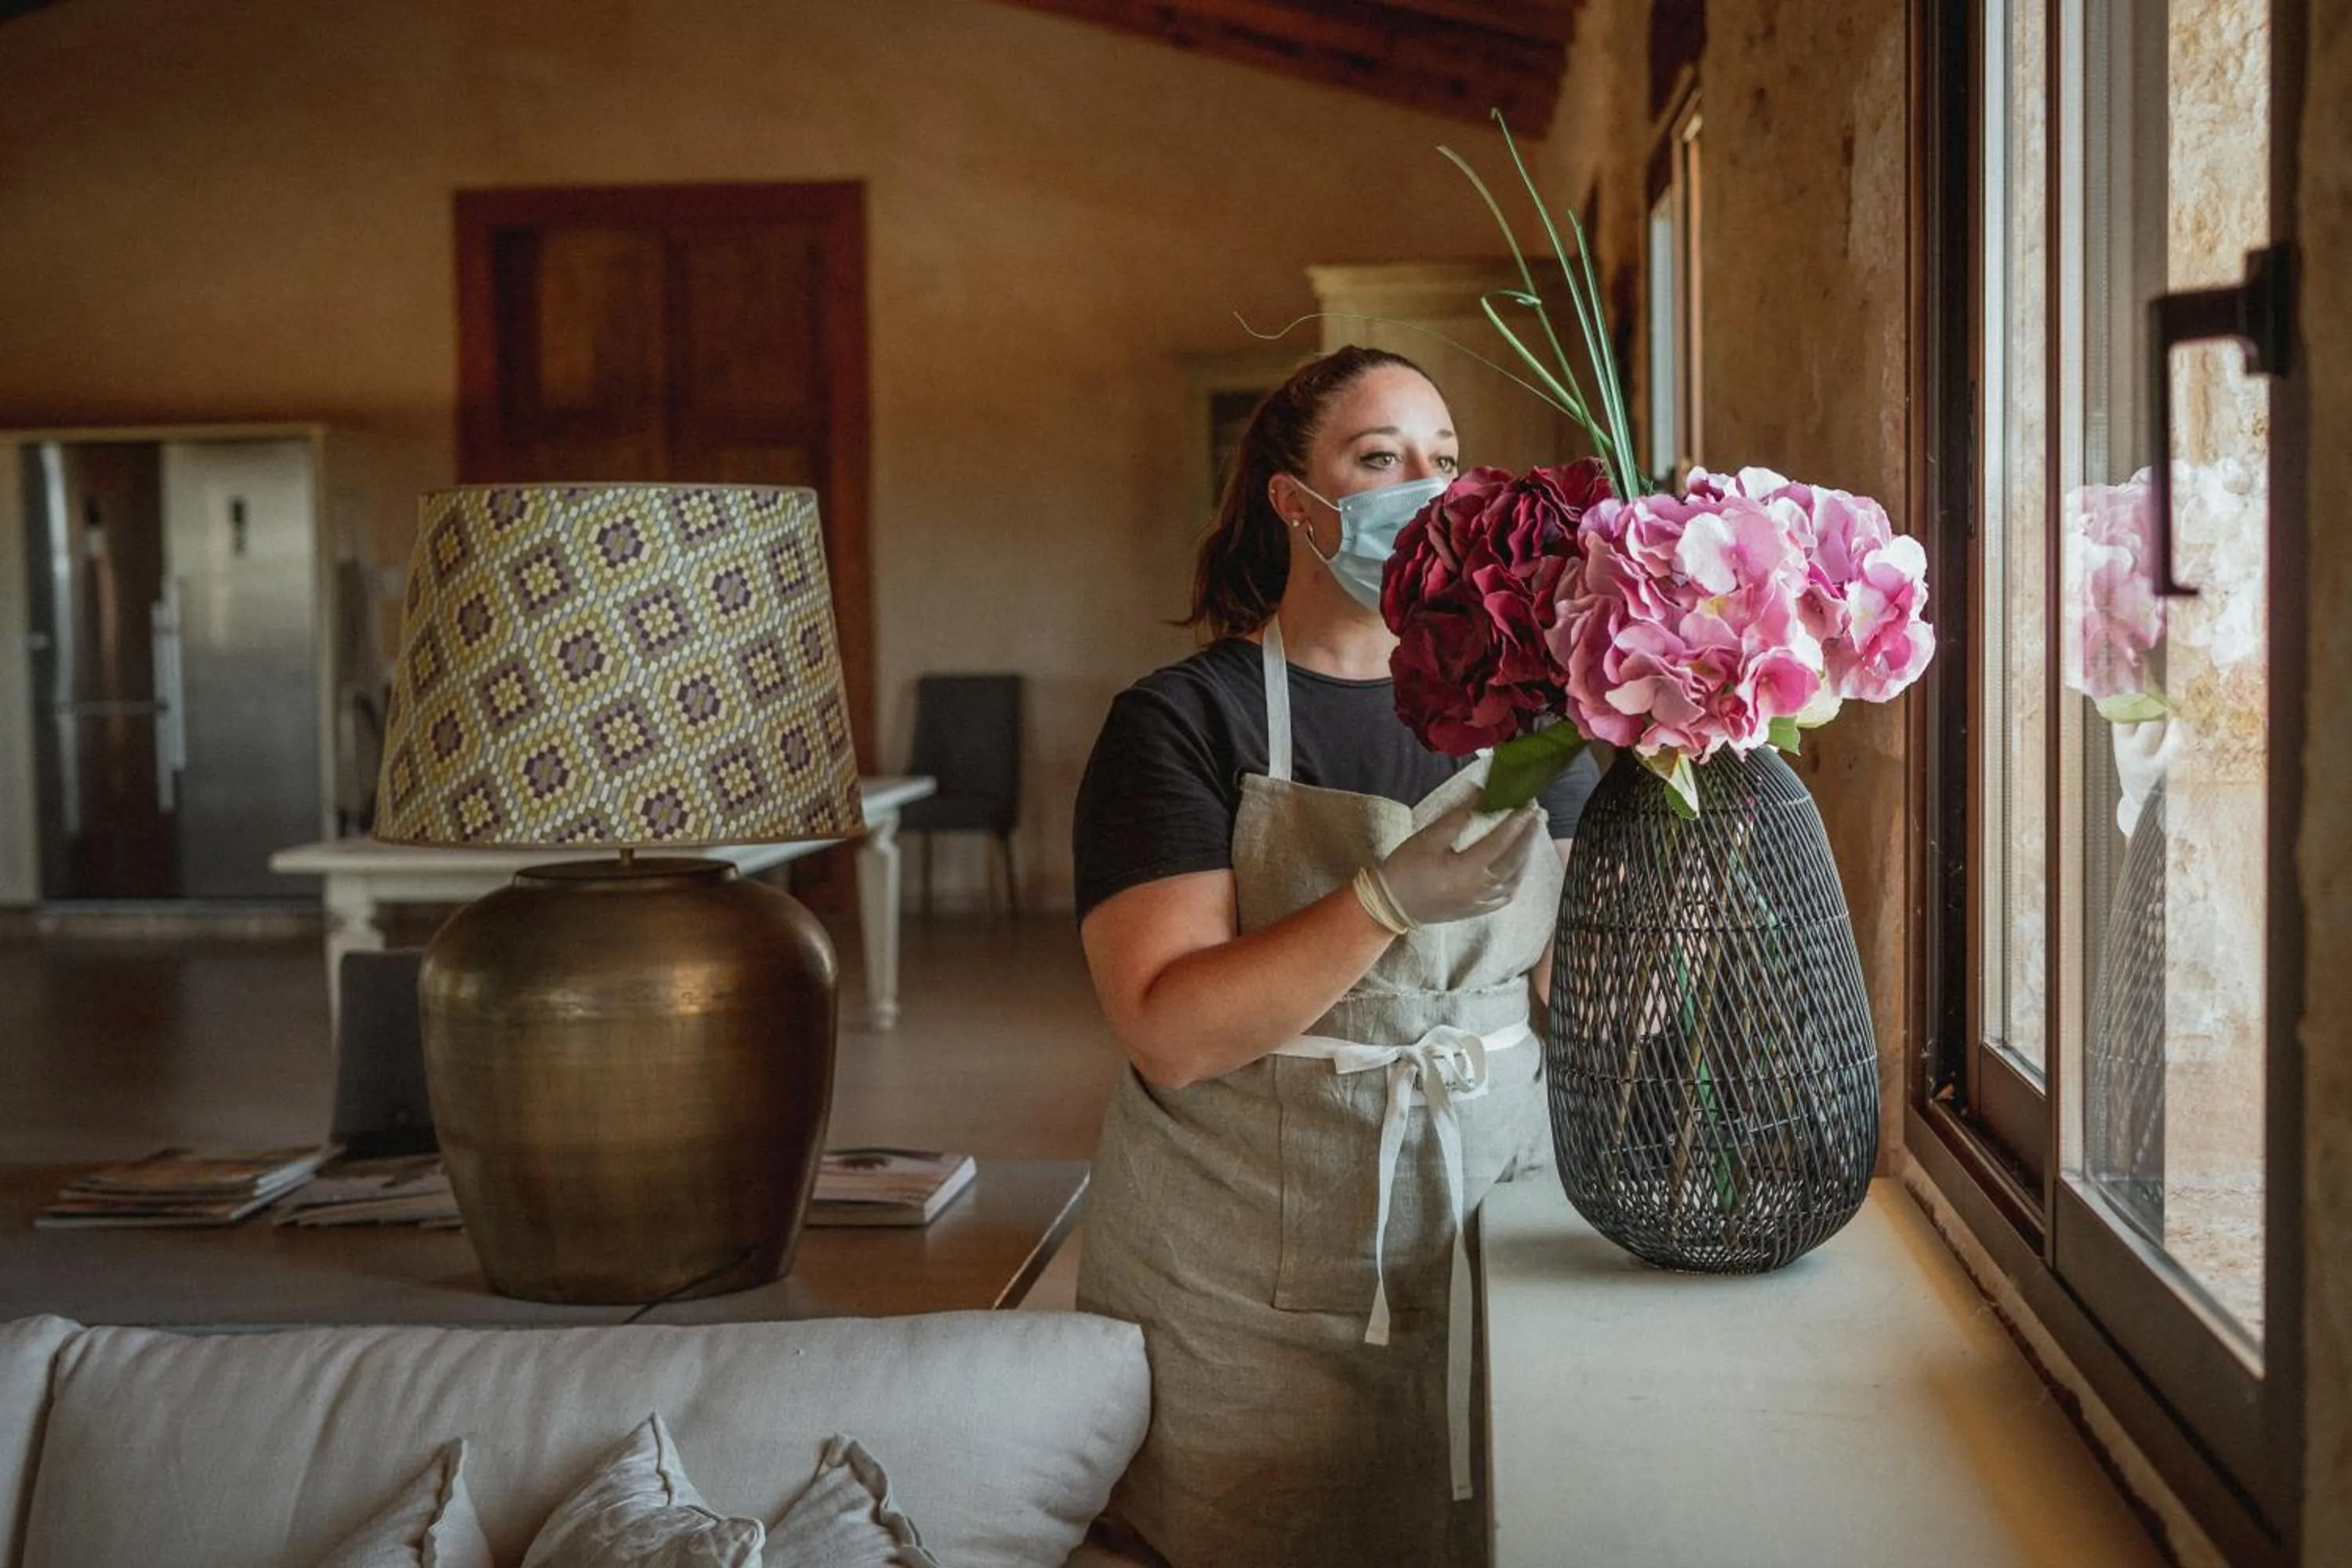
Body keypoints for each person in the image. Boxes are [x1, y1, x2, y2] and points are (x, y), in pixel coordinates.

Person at [1072, 344, 1599, 1568]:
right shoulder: (1183, 723)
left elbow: (1583, 992)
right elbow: (1171, 1028)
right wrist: (1380, 899)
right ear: (1294, 501)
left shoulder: (1531, 727)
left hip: (1488, 1242)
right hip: (1242, 1280)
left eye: (1446, 461)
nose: (1427, 489)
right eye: (1380, 460)